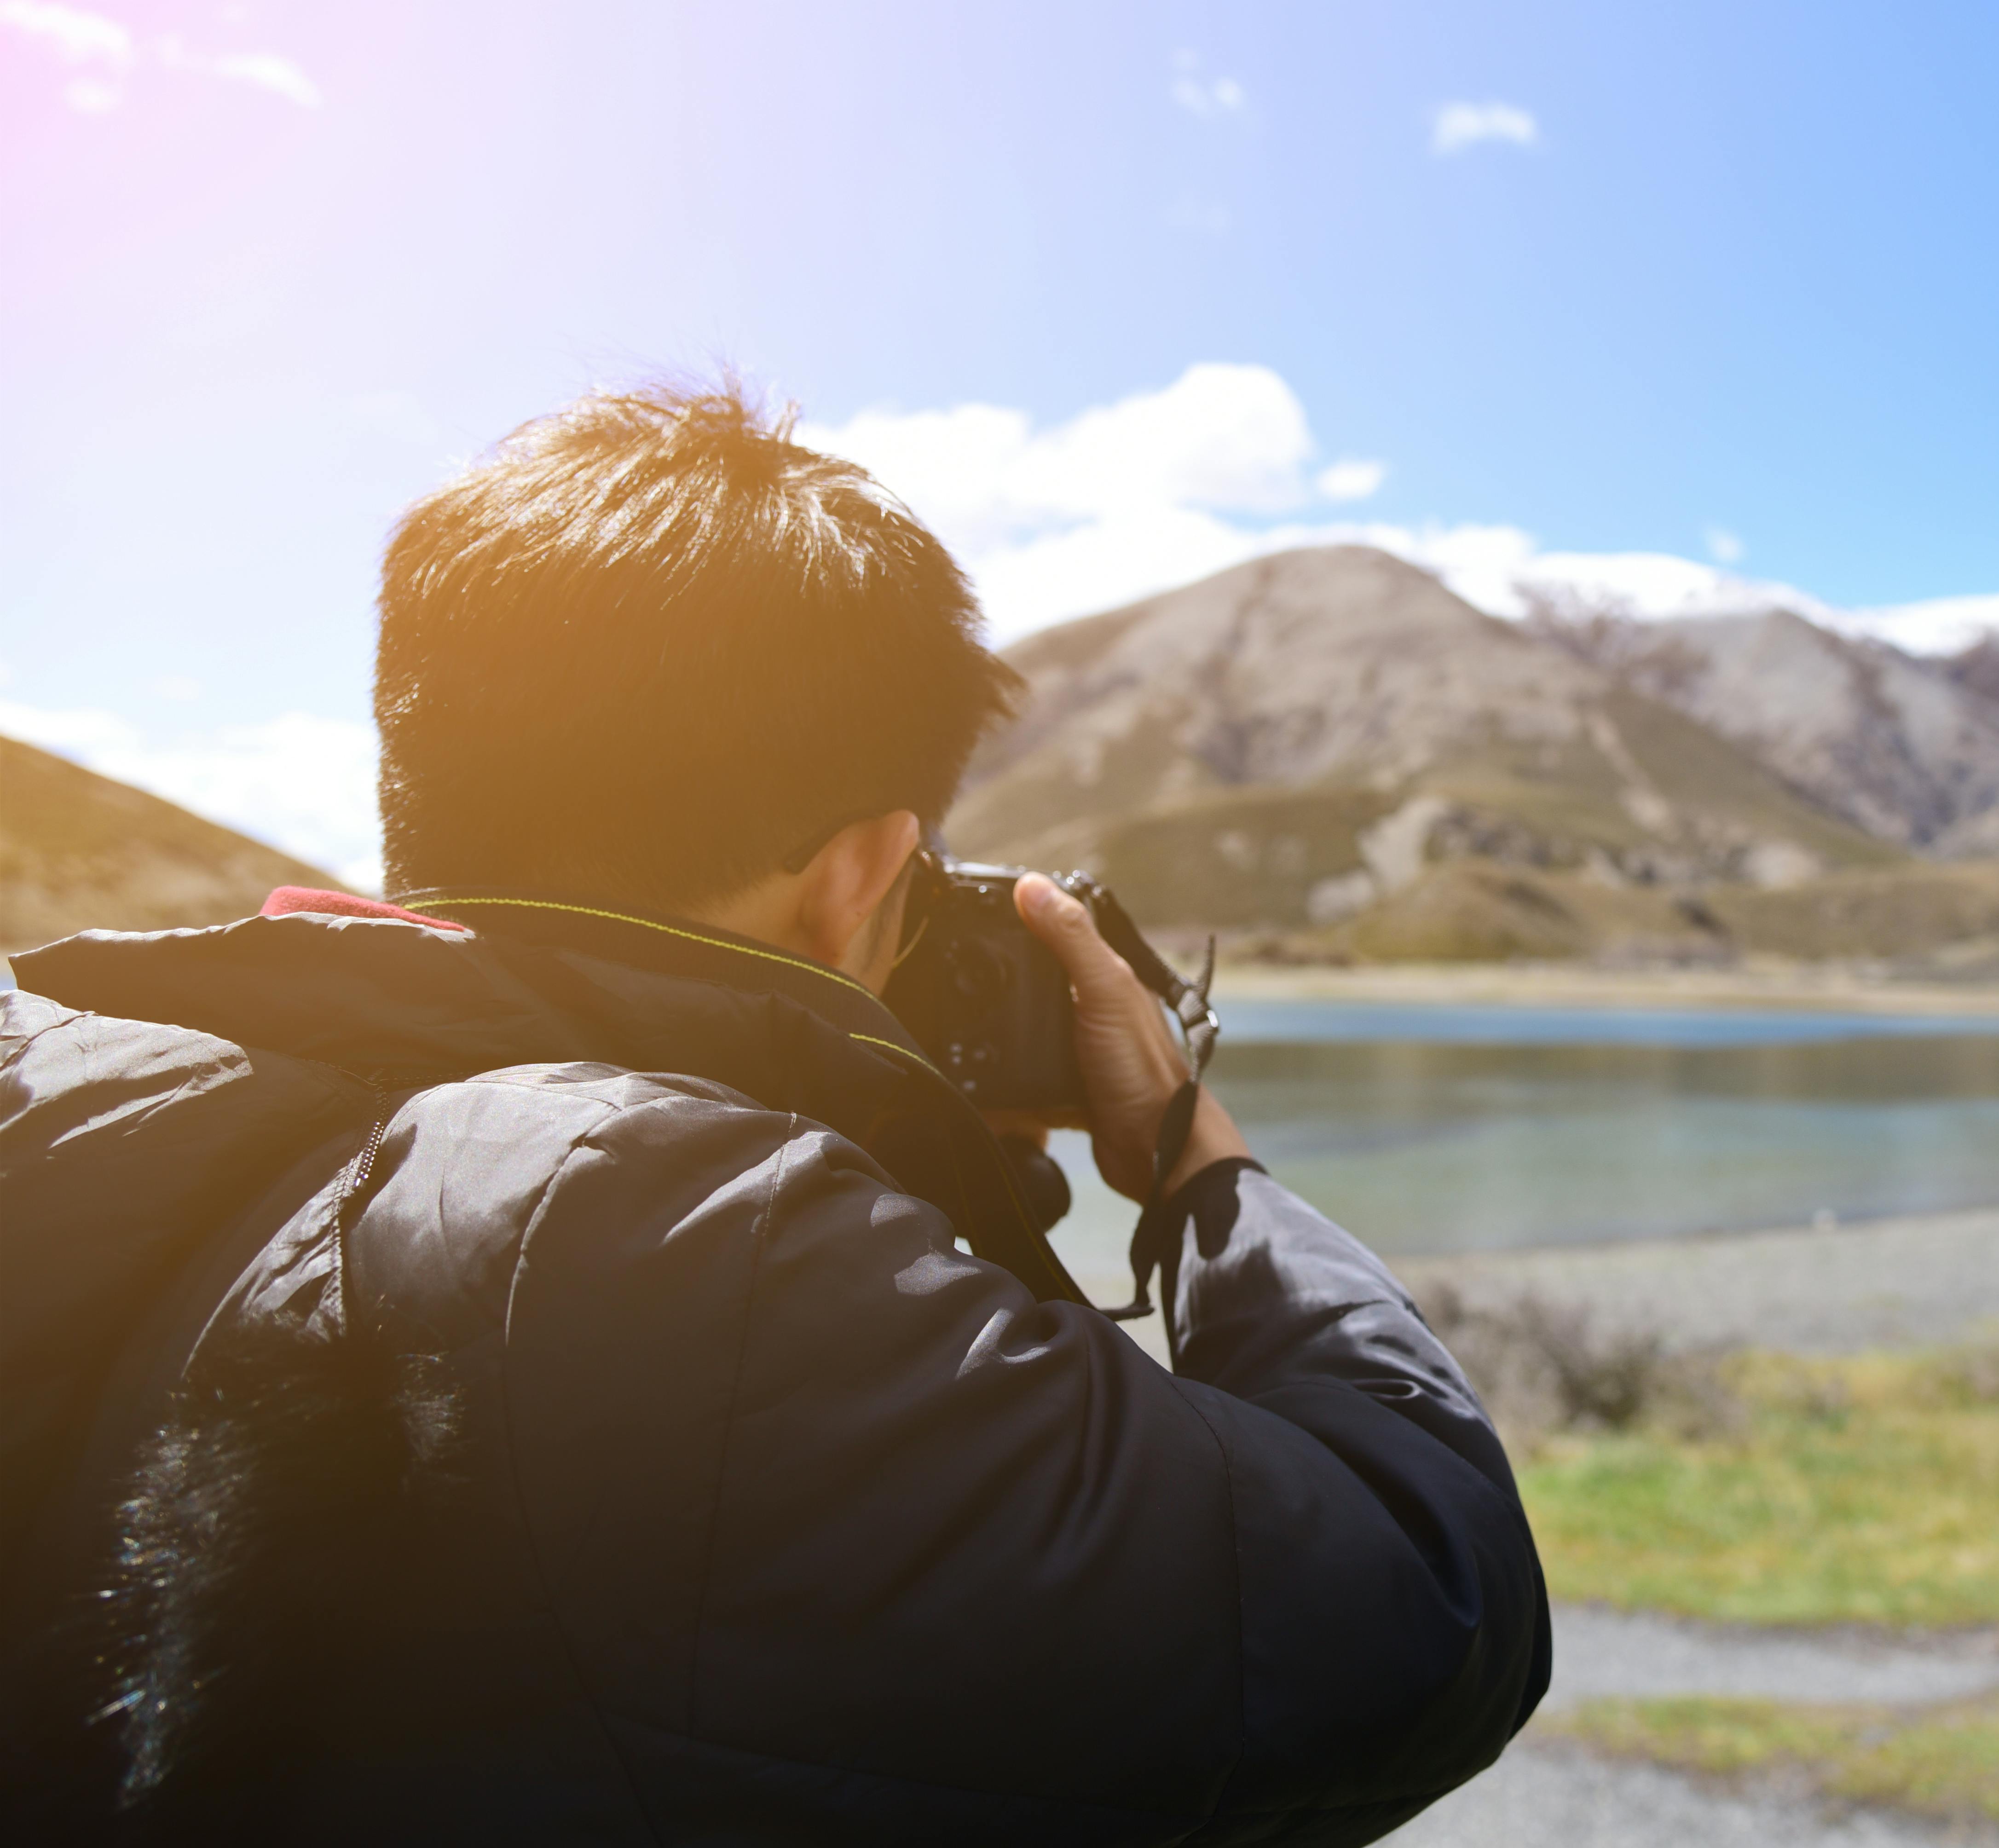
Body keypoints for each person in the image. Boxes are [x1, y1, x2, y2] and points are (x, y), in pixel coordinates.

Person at [0, 385, 1549, 1842]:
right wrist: (1195, 1167)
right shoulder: (665, 1225)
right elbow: (1422, 1599)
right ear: (860, 872)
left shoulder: (69, 1065)